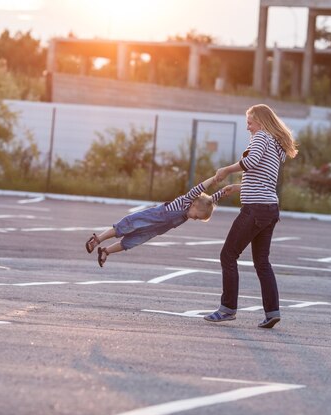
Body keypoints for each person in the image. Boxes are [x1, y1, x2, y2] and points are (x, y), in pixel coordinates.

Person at [204, 104, 298, 329]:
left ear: (261, 121)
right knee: (262, 262)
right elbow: (263, 176)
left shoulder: (261, 137)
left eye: (250, 122)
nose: (248, 127)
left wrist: (226, 170)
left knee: (228, 255)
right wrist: (238, 187)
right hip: (270, 209)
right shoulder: (276, 144)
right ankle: (272, 311)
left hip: (255, 208)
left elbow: (250, 162)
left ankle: (227, 309)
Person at [85, 176, 233, 267]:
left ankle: (105, 252)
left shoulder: (195, 208)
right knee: (124, 227)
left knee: (130, 243)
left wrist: (221, 193)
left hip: (154, 230)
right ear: (194, 205)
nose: (194, 218)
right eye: (197, 216)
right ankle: (97, 240)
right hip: (151, 216)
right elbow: (199, 189)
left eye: (198, 219)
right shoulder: (187, 201)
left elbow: (207, 201)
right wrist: (214, 180)